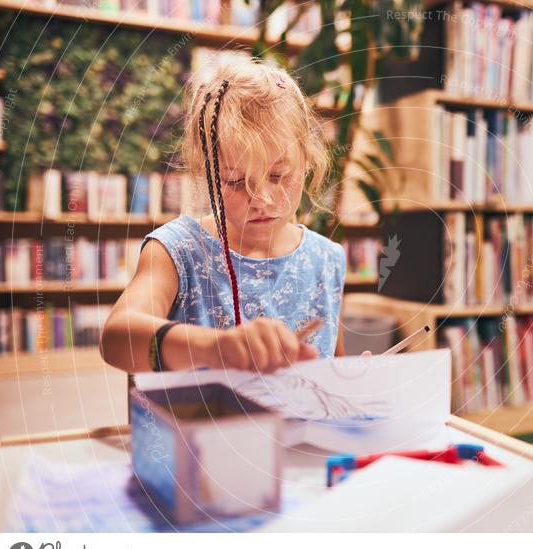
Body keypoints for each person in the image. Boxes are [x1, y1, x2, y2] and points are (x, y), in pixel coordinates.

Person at [100, 55, 349, 374]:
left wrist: (355, 382)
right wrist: (214, 348)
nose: (262, 199)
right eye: (235, 181)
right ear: (207, 172)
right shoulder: (176, 252)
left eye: (278, 175)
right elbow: (116, 339)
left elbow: (334, 363)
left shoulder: (327, 260)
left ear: (307, 159)